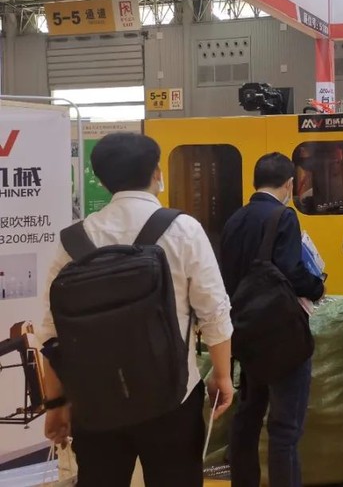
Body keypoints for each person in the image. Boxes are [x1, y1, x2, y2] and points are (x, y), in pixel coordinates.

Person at [41, 133, 234, 486]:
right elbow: (215, 312)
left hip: (95, 400)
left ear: (102, 181)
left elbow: (52, 335)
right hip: (172, 396)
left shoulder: (72, 241)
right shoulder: (183, 229)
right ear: (156, 173)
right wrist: (222, 376)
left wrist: (56, 404)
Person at [220, 153, 325, 487]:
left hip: (245, 330)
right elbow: (290, 271)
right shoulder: (284, 216)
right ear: (290, 184)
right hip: (282, 333)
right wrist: (317, 286)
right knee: (285, 428)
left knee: (247, 418)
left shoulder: (234, 218)